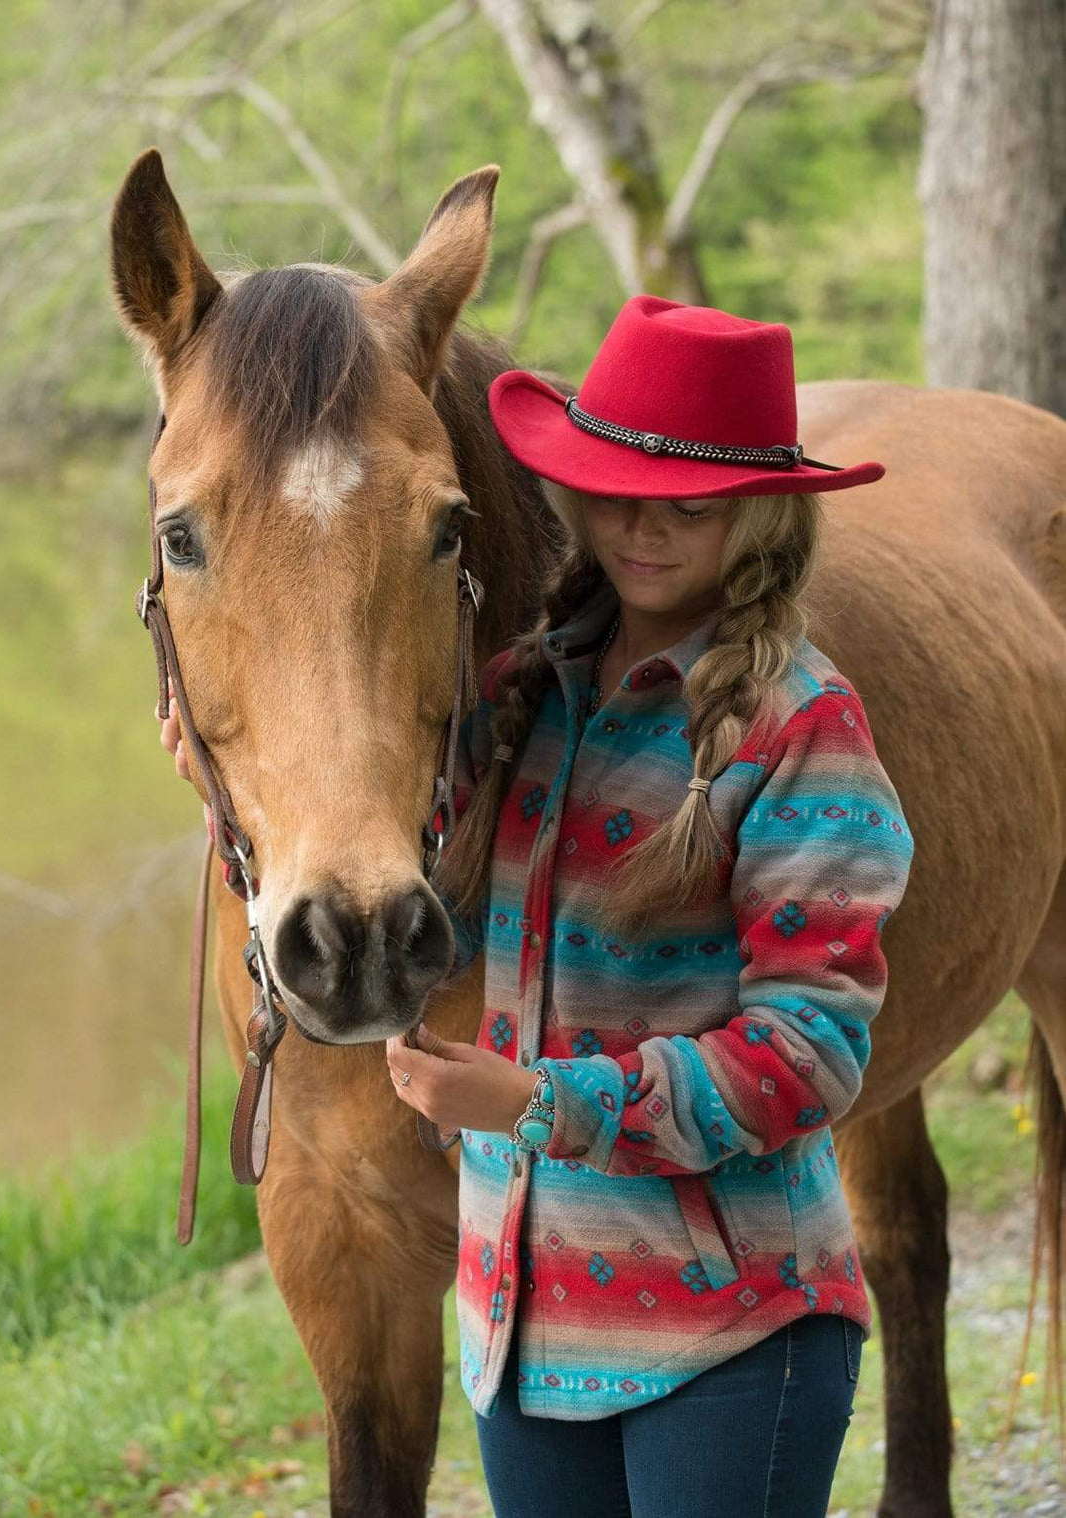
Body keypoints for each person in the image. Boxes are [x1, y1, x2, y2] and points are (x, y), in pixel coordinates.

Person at [159, 295, 915, 1516]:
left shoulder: (801, 733)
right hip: (530, 1340)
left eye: (692, 501)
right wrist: (230, 768)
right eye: (613, 487)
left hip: (727, 1336)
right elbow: (359, 782)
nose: (641, 526)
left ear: (763, 514)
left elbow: (807, 1056)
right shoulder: (528, 699)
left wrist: (533, 1104)